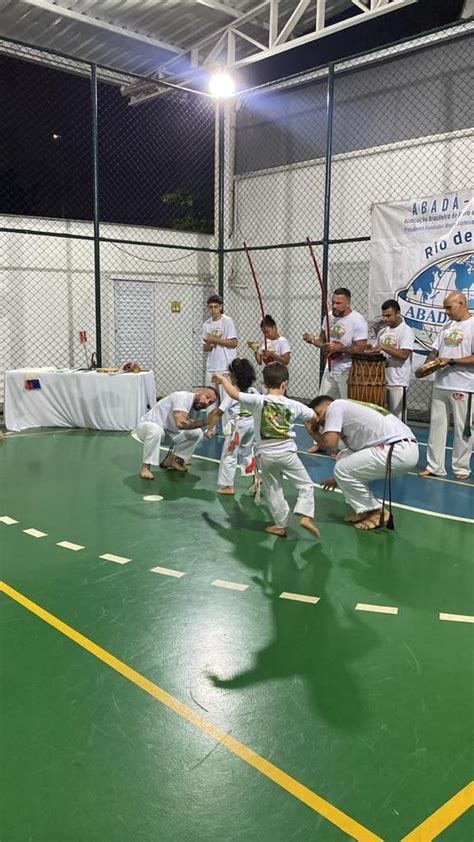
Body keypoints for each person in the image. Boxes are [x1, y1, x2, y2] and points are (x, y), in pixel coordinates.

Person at [214, 362, 320, 539]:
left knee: (273, 489)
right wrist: (315, 429)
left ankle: (280, 525)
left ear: (264, 384)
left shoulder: (258, 401)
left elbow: (233, 393)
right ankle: (306, 515)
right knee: (306, 485)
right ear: (285, 384)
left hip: (266, 456)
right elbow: (314, 416)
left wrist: (222, 379)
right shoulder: (294, 404)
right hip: (288, 454)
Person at [310, 396, 419, 530]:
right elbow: (352, 455)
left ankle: (376, 511)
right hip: (401, 448)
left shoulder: (335, 406)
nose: (319, 419)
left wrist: (313, 432)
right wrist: (336, 478)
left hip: (397, 449)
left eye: (319, 413)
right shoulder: (349, 410)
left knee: (342, 469)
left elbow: (330, 444)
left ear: (327, 404)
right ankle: (365, 510)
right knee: (343, 457)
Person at [303, 287, 367, 452]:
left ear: (347, 303)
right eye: (333, 302)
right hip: (330, 368)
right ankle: (321, 441)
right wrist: (314, 340)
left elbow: (361, 348)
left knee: (346, 409)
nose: (335, 306)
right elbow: (323, 338)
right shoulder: (329, 317)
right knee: (321, 406)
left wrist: (341, 348)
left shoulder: (358, 320)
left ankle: (345, 448)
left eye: (339, 303)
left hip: (348, 369)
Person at [418, 292, 474, 481]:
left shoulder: (473, 325)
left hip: (464, 385)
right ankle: (435, 466)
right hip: (441, 383)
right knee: (437, 426)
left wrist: (451, 361)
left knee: (462, 429)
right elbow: (435, 350)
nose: (446, 312)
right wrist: (427, 365)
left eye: (449, 307)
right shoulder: (447, 326)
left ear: (461, 303)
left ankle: (461, 468)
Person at [134, 387, 217, 480]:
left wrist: (208, 430)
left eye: (210, 402)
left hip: (167, 434)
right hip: (146, 428)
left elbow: (190, 425)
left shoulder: (196, 407)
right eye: (207, 397)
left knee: (197, 433)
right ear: (198, 392)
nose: (206, 402)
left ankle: (173, 461)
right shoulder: (182, 397)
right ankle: (145, 467)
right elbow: (181, 423)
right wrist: (205, 422)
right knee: (156, 430)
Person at [205, 358, 258, 496]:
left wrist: (210, 429)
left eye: (229, 374)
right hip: (251, 424)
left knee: (229, 454)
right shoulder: (253, 391)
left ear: (235, 376)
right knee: (247, 452)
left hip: (238, 428)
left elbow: (218, 412)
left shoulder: (233, 393)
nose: (228, 376)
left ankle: (228, 486)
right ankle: (255, 477)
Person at [366, 299, 415, 419]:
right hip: (382, 381)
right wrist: (369, 349)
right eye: (383, 316)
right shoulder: (383, 332)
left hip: (398, 382)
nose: (385, 319)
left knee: (398, 419)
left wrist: (384, 347)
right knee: (383, 417)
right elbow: (377, 350)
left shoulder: (406, 331)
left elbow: (404, 354)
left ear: (398, 313)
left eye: (389, 315)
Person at [202, 293, 238, 386]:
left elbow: (234, 343)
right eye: (211, 307)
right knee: (211, 396)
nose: (213, 310)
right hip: (211, 366)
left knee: (226, 396)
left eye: (216, 307)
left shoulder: (227, 321)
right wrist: (210, 344)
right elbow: (205, 348)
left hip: (225, 366)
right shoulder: (206, 324)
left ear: (220, 307)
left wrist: (215, 340)